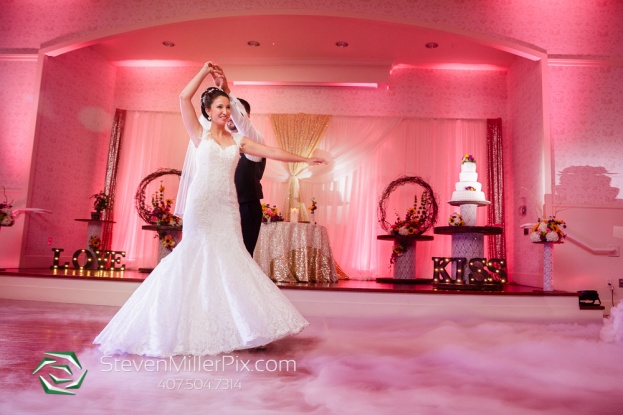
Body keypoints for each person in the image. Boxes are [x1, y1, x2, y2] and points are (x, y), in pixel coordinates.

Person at [94, 61, 326, 357]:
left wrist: (304, 159)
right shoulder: (198, 134)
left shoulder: (239, 140)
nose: (225, 112)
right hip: (201, 205)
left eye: (227, 108)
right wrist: (204, 71)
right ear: (208, 111)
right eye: (219, 107)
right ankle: (177, 325)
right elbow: (182, 98)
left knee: (232, 259)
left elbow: (272, 151)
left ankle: (244, 327)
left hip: (227, 206)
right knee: (193, 256)